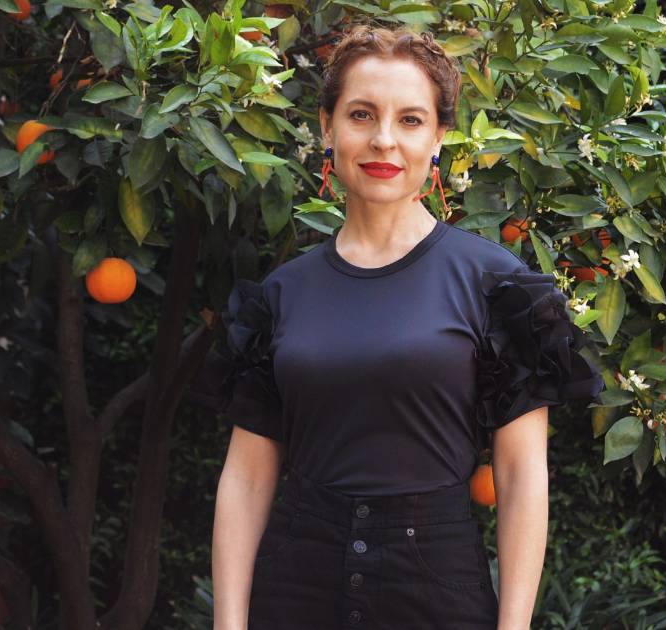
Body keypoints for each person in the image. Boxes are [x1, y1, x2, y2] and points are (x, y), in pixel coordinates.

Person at [204, 23, 605, 630]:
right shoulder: (281, 294)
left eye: (411, 120)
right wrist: (228, 623)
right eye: (361, 114)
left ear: (439, 137)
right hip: (295, 590)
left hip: (439, 593)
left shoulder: (496, 285)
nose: (383, 140)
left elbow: (521, 474)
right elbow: (246, 475)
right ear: (327, 127)